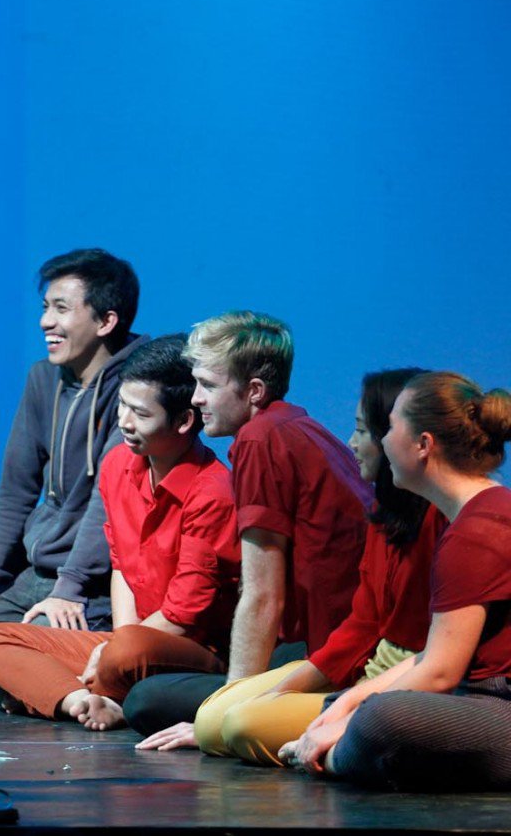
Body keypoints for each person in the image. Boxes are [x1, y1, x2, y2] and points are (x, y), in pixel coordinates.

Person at [0, 335, 239, 729]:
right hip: (131, 641)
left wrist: (118, 647)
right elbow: (122, 567)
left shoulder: (212, 491)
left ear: (184, 421)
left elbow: (183, 617)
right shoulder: (118, 465)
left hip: (191, 649)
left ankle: (77, 691)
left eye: (140, 413)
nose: (124, 422)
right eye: (122, 406)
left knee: (126, 649)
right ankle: (80, 700)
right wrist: (116, 642)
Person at [129, 311, 370, 744]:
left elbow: (263, 595)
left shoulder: (260, 440)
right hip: (328, 641)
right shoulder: (298, 427)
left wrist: (223, 713)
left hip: (331, 651)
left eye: (208, 385)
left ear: (254, 390)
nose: (196, 399)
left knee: (146, 700)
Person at [0, 249, 147, 704]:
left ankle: (62, 680)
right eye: (45, 307)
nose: (46, 321)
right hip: (37, 574)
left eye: (61, 308)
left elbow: (106, 502)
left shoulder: (136, 387)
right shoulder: (44, 379)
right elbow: (15, 490)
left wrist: (70, 589)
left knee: (15, 667)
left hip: (93, 583)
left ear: (106, 321)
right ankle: (35, 680)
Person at [189, 368, 442, 763]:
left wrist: (346, 703)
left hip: (402, 685)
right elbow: (363, 622)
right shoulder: (386, 512)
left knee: (239, 724)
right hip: (362, 668)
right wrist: (280, 691)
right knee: (211, 720)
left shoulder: (443, 521)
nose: (351, 443)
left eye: (363, 431)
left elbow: (438, 658)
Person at [280, 372, 511, 791]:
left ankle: (331, 756)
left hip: (498, 706)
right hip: (477, 695)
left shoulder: (477, 532)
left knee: (381, 719)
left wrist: (351, 718)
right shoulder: (476, 516)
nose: (384, 442)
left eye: (391, 428)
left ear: (423, 444)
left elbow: (439, 674)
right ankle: (338, 745)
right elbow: (430, 657)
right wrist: (352, 699)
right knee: (353, 703)